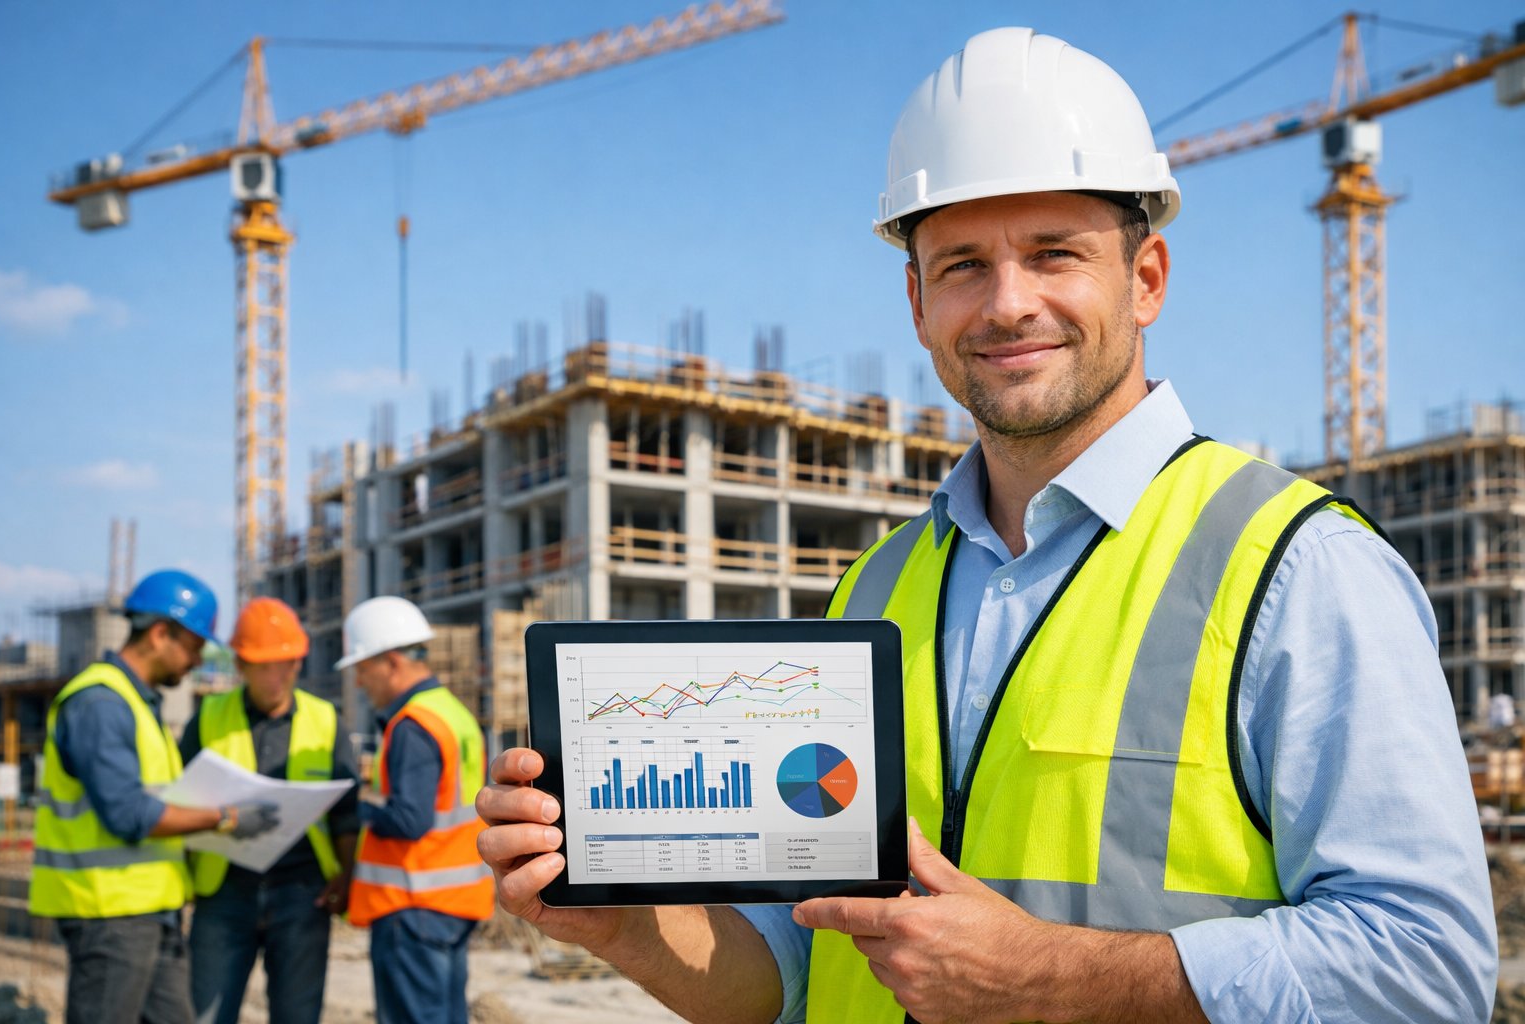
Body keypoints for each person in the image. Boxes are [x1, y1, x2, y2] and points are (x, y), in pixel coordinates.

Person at [474, 26, 1498, 1024]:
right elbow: (791, 971)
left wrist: (1057, 979)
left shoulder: (1298, 569)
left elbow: (1427, 969)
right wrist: (629, 929)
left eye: (1055, 253)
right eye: (963, 263)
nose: (1008, 303)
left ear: (1145, 282)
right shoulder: (875, 589)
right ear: (917, 302)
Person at [29, 570, 280, 1024]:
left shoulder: (138, 704)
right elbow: (129, 813)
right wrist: (223, 817)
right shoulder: (101, 703)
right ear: (162, 633)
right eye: (194, 647)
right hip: (108, 915)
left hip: (149, 913)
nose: (197, 661)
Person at [180, 597, 361, 1024]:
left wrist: (346, 874)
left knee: (297, 1015)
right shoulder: (207, 717)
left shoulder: (326, 720)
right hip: (224, 891)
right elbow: (179, 800)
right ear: (240, 665)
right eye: (264, 665)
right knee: (204, 1015)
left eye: (288, 664)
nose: (278, 676)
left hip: (302, 892)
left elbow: (347, 812)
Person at [339, 596, 493, 1024]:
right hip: (454, 901)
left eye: (362, 669)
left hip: (412, 906)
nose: (358, 683)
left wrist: (354, 807)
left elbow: (410, 820)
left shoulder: (413, 724)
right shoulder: (453, 713)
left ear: (390, 662)